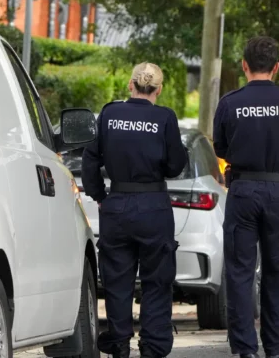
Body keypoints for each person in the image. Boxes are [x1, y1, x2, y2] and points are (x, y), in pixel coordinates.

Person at [82, 62, 189, 358]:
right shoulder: (165, 117)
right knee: (157, 279)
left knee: (117, 279)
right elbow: (175, 165)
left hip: (117, 205)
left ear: (131, 85)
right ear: (159, 89)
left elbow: (90, 159)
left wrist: (99, 195)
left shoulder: (110, 113)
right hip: (154, 207)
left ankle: (118, 343)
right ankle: (152, 346)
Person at [213, 36, 279, 358]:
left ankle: (244, 350)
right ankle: (277, 350)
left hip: (243, 191)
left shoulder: (229, 102)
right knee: (277, 271)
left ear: (244, 65)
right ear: (276, 67)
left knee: (239, 273)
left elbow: (220, 148)